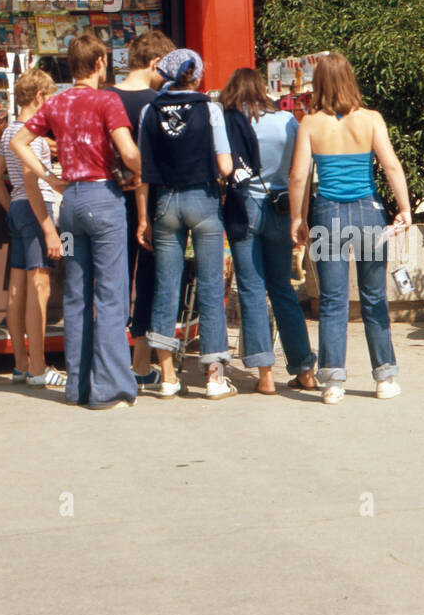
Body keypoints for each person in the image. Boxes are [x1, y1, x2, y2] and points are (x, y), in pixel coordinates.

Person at [13, 34, 140, 411]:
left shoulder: (57, 103)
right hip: (103, 200)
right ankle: (111, 388)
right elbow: (128, 152)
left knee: (77, 294)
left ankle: (79, 386)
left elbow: (19, 142)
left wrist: (49, 177)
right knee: (111, 295)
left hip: (70, 204)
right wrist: (145, 169)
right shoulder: (107, 100)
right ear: (100, 61)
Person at [288, 52, 412, 406]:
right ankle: (384, 377)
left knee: (331, 300)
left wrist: (298, 219)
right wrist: (404, 208)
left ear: (320, 84)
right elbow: (391, 165)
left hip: (328, 215)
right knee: (374, 297)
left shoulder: (309, 124)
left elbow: (298, 176)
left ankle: (332, 382)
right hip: (368, 214)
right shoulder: (371, 119)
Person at [136, 48, 236, 400]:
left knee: (167, 288)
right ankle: (213, 377)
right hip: (204, 200)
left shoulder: (150, 110)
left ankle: (166, 377)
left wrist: (143, 218)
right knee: (210, 287)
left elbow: (142, 171)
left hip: (165, 203)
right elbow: (224, 166)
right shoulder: (210, 109)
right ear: (197, 76)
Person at [221, 68, 318, 395]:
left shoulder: (231, 121)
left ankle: (264, 375)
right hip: (281, 208)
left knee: (250, 288)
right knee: (282, 289)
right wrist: (300, 216)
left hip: (245, 205)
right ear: (262, 89)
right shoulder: (287, 121)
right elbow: (300, 170)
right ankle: (305, 369)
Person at [105, 27, 175, 388]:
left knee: (111, 279)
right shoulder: (158, 102)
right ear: (155, 62)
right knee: (148, 277)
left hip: (108, 196)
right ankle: (141, 359)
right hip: (151, 199)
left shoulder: (105, 96)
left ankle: (110, 357)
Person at [0, 68, 66, 388]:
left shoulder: (8, 132)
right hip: (37, 207)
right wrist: (47, 227)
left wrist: (13, 208)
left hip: (19, 208)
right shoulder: (29, 135)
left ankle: (21, 361)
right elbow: (32, 179)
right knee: (40, 286)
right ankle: (38, 366)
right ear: (39, 97)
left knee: (18, 285)